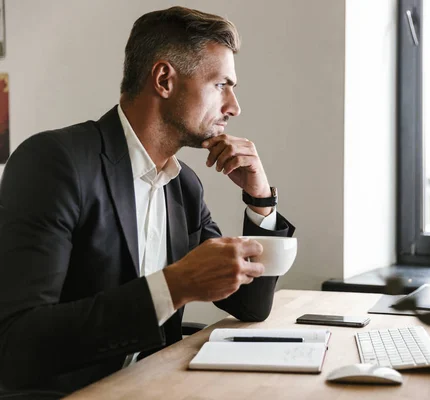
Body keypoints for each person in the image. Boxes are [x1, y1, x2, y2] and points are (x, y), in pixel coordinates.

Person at [0, 6, 295, 394]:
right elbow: (18, 342)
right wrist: (173, 286)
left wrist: (260, 198)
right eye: (221, 85)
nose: (233, 107)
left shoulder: (183, 185)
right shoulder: (55, 162)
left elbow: (250, 306)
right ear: (164, 79)